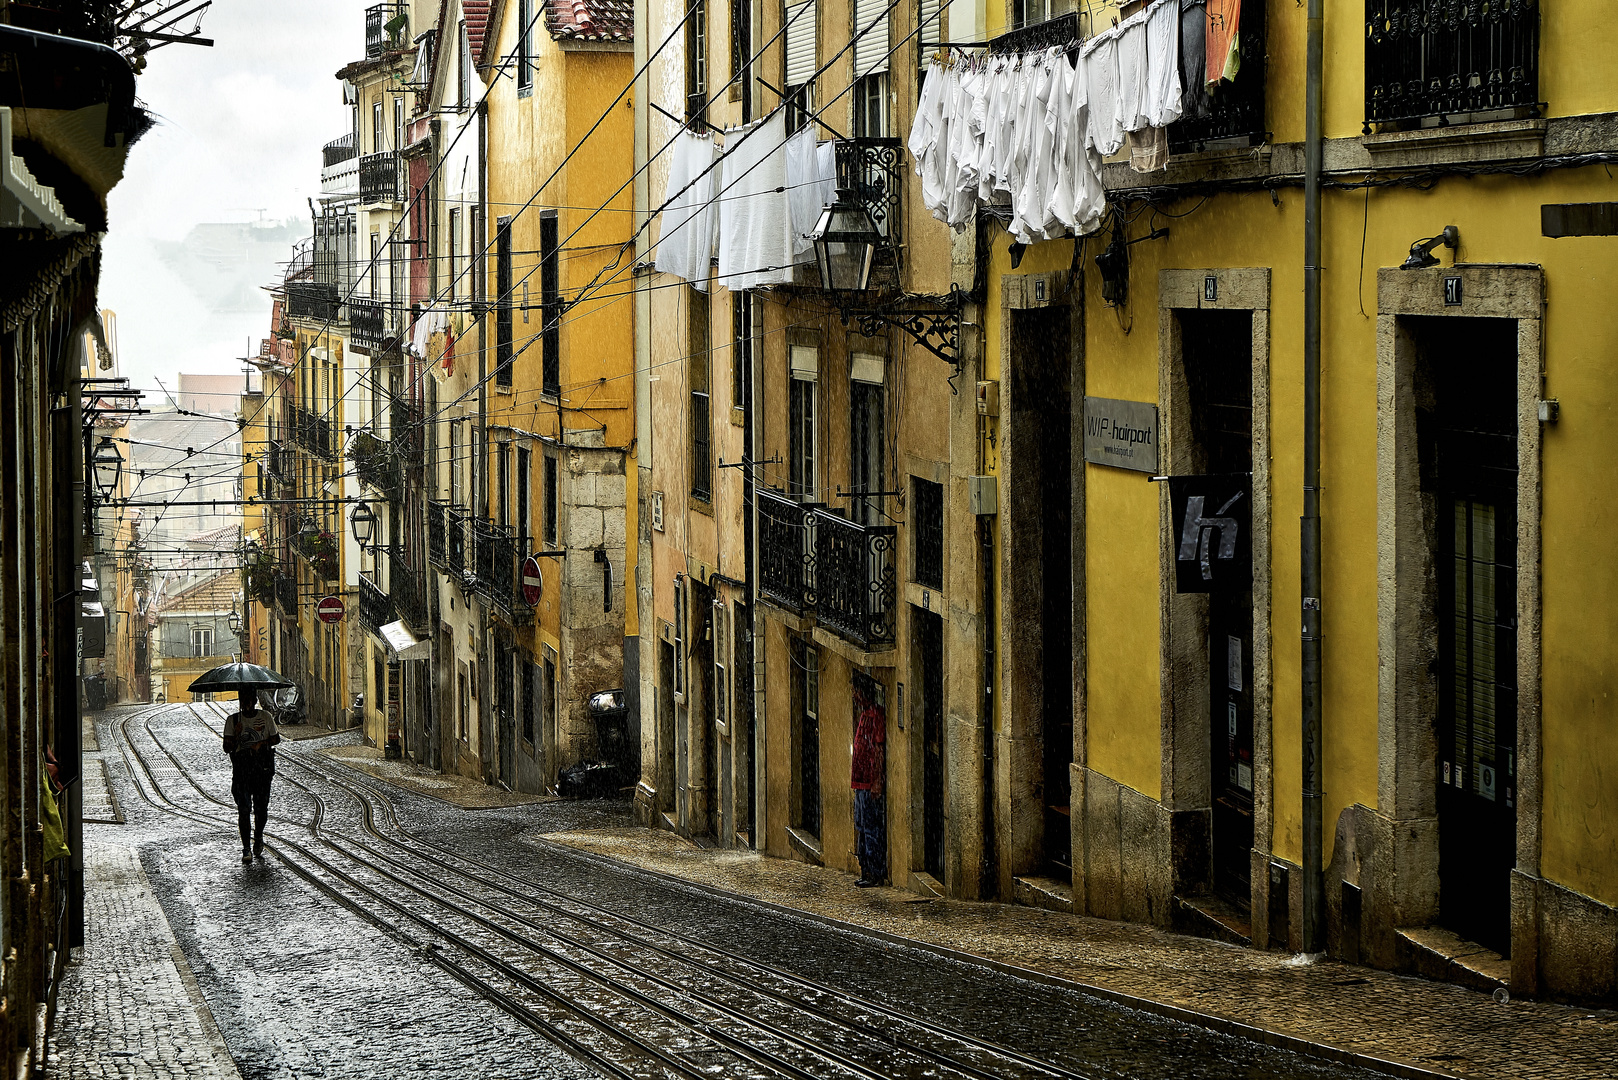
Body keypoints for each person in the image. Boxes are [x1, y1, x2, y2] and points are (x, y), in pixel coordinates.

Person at [222, 689, 280, 864]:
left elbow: (276, 739)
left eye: (249, 700)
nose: (246, 704)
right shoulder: (232, 720)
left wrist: (261, 743)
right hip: (242, 770)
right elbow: (226, 747)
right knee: (244, 809)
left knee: (261, 808)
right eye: (243, 700)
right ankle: (246, 847)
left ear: (255, 700)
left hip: (262, 769)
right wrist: (237, 734)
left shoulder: (266, 717)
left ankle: (259, 836)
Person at [850, 689, 887, 888]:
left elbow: (879, 749)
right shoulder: (864, 714)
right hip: (859, 783)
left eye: (856, 691)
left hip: (869, 783)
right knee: (862, 827)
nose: (854, 696)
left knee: (871, 828)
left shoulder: (876, 715)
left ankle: (875, 872)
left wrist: (877, 781)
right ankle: (865, 868)